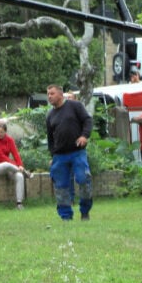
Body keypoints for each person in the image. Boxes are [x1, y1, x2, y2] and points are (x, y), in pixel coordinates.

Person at [45, 84, 93, 221]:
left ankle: (85, 211)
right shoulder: (50, 115)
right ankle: (66, 217)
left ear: (60, 94)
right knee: (60, 187)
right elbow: (50, 139)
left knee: (83, 179)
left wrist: (84, 136)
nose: (49, 96)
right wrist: (52, 156)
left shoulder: (75, 106)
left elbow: (88, 121)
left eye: (52, 93)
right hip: (59, 156)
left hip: (77, 152)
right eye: (48, 94)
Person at [0, 121, 32, 209]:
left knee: (19, 176)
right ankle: (25, 172)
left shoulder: (10, 140)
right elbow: (1, 157)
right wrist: (17, 166)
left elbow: (16, 154)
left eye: (1, 132)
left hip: (10, 167)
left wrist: (20, 165)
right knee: (6, 164)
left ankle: (19, 204)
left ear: (5, 132)